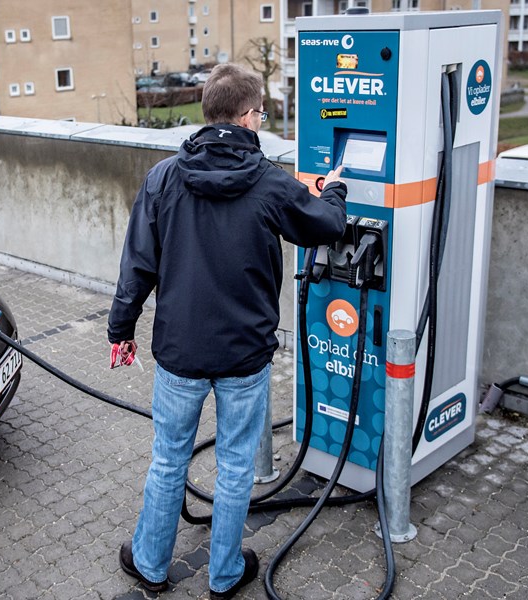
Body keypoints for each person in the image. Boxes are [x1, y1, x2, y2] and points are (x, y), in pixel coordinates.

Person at [109, 62, 348, 599]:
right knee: (236, 465)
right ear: (246, 116)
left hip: (179, 351)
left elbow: (137, 267)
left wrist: (119, 330)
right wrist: (334, 190)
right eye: (261, 111)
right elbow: (328, 227)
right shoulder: (269, 183)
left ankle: (149, 566)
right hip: (244, 355)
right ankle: (223, 576)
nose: (261, 119)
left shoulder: (163, 177)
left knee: (169, 458)